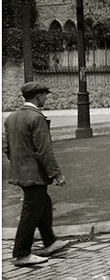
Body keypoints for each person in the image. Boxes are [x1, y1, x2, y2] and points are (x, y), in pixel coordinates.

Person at [3, 82, 70, 267]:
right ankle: (22, 253)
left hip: (21, 173)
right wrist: (57, 174)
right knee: (31, 212)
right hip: (34, 174)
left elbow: (7, 148)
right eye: (44, 96)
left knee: (43, 204)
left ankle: (50, 242)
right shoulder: (36, 118)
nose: (46, 98)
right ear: (38, 96)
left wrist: (21, 164)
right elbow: (44, 151)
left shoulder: (11, 118)